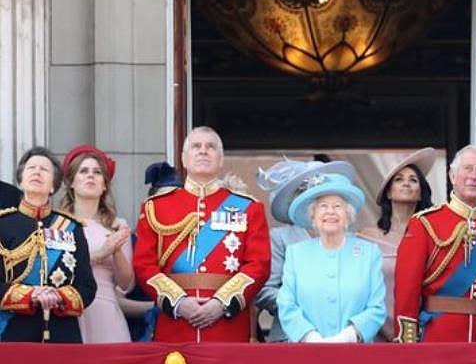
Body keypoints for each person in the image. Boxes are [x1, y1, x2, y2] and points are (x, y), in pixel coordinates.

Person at [133, 126, 270, 343]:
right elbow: (144, 265)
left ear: (221, 159)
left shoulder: (248, 207)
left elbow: (258, 265)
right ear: (184, 159)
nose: (203, 151)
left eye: (211, 147)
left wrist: (221, 303)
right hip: (175, 325)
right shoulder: (155, 207)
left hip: (227, 326)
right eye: (196, 146)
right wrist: (178, 302)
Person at [394, 145, 476, 342]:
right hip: (436, 339)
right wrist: (408, 340)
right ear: (452, 176)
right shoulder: (424, 223)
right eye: (467, 168)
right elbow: (407, 289)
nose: (473, 176)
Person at [0, 147, 96, 342]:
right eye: (31, 168)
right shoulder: (3, 224)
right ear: (21, 180)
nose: (37, 172)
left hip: (63, 333)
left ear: (54, 185)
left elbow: (87, 286)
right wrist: (31, 295)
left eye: (44, 169)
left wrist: (59, 296)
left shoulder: (71, 227)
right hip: (14, 332)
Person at [277, 172, 385, 342]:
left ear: (348, 217)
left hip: (355, 354)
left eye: (337, 206)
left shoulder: (369, 253)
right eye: (323, 206)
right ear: (313, 217)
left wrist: (348, 336)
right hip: (306, 353)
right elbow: (286, 305)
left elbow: (377, 308)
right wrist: (310, 337)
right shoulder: (296, 253)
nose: (330, 212)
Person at [256, 159, 356, 342]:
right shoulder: (281, 237)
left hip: (342, 338)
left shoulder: (352, 241)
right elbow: (264, 290)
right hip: (291, 337)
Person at [357, 148, 435, 341]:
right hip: (375, 331)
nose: (406, 183)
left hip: (423, 329)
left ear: (420, 194)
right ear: (388, 192)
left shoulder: (434, 237)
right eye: (399, 179)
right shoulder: (365, 238)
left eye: (413, 180)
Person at [59, 145, 133, 343]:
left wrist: (115, 249)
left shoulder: (117, 225)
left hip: (106, 313)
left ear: (105, 185)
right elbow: (53, 270)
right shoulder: (57, 225)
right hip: (67, 311)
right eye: (83, 171)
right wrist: (100, 254)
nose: (90, 176)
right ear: (71, 182)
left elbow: (126, 283)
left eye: (97, 172)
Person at [117, 161, 182, 341]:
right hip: (139, 335)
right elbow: (117, 300)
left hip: (182, 332)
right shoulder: (128, 242)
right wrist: (158, 307)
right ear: (147, 203)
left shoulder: (189, 246)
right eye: (162, 199)